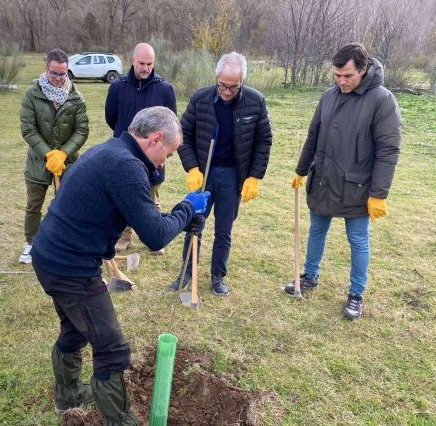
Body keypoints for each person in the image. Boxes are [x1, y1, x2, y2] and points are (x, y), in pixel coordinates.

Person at [30, 106, 209, 424]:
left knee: (76, 327)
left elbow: (148, 216)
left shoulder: (113, 150)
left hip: (51, 254)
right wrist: (186, 208)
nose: (163, 163)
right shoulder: (126, 168)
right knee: (111, 348)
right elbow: (155, 236)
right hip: (69, 266)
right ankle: (120, 420)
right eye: (166, 154)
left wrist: (181, 215)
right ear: (155, 139)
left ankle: (69, 395)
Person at [283, 43, 402, 320]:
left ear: (363, 69)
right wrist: (302, 170)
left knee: (358, 240)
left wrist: (379, 194)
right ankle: (309, 277)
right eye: (337, 75)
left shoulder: (382, 100)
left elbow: (389, 150)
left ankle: (356, 295)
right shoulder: (328, 96)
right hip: (323, 179)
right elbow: (313, 135)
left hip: (358, 187)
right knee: (316, 230)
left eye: (347, 75)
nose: (341, 81)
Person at [170, 51, 273, 297]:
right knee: (195, 223)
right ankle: (187, 271)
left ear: (242, 82)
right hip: (204, 173)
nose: (227, 92)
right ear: (217, 78)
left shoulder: (255, 102)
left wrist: (254, 176)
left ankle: (218, 275)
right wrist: (192, 167)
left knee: (224, 229)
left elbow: (264, 140)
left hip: (232, 175)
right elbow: (182, 135)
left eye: (233, 87)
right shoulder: (200, 98)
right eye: (223, 86)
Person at [105, 42, 177, 255]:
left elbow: (171, 123)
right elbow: (111, 118)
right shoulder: (118, 87)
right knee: (124, 197)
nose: (146, 68)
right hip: (125, 154)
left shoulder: (165, 89)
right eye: (142, 63)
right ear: (132, 61)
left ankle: (154, 238)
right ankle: (123, 237)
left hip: (153, 156)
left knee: (151, 199)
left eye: (150, 64)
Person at [18, 48, 89, 264]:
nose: (59, 78)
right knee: (34, 205)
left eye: (63, 74)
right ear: (46, 69)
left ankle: (63, 243)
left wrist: (64, 152)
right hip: (39, 161)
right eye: (54, 73)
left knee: (66, 204)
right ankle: (31, 243)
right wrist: (48, 154)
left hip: (67, 162)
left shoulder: (75, 97)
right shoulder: (32, 94)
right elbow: (28, 129)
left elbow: (82, 129)